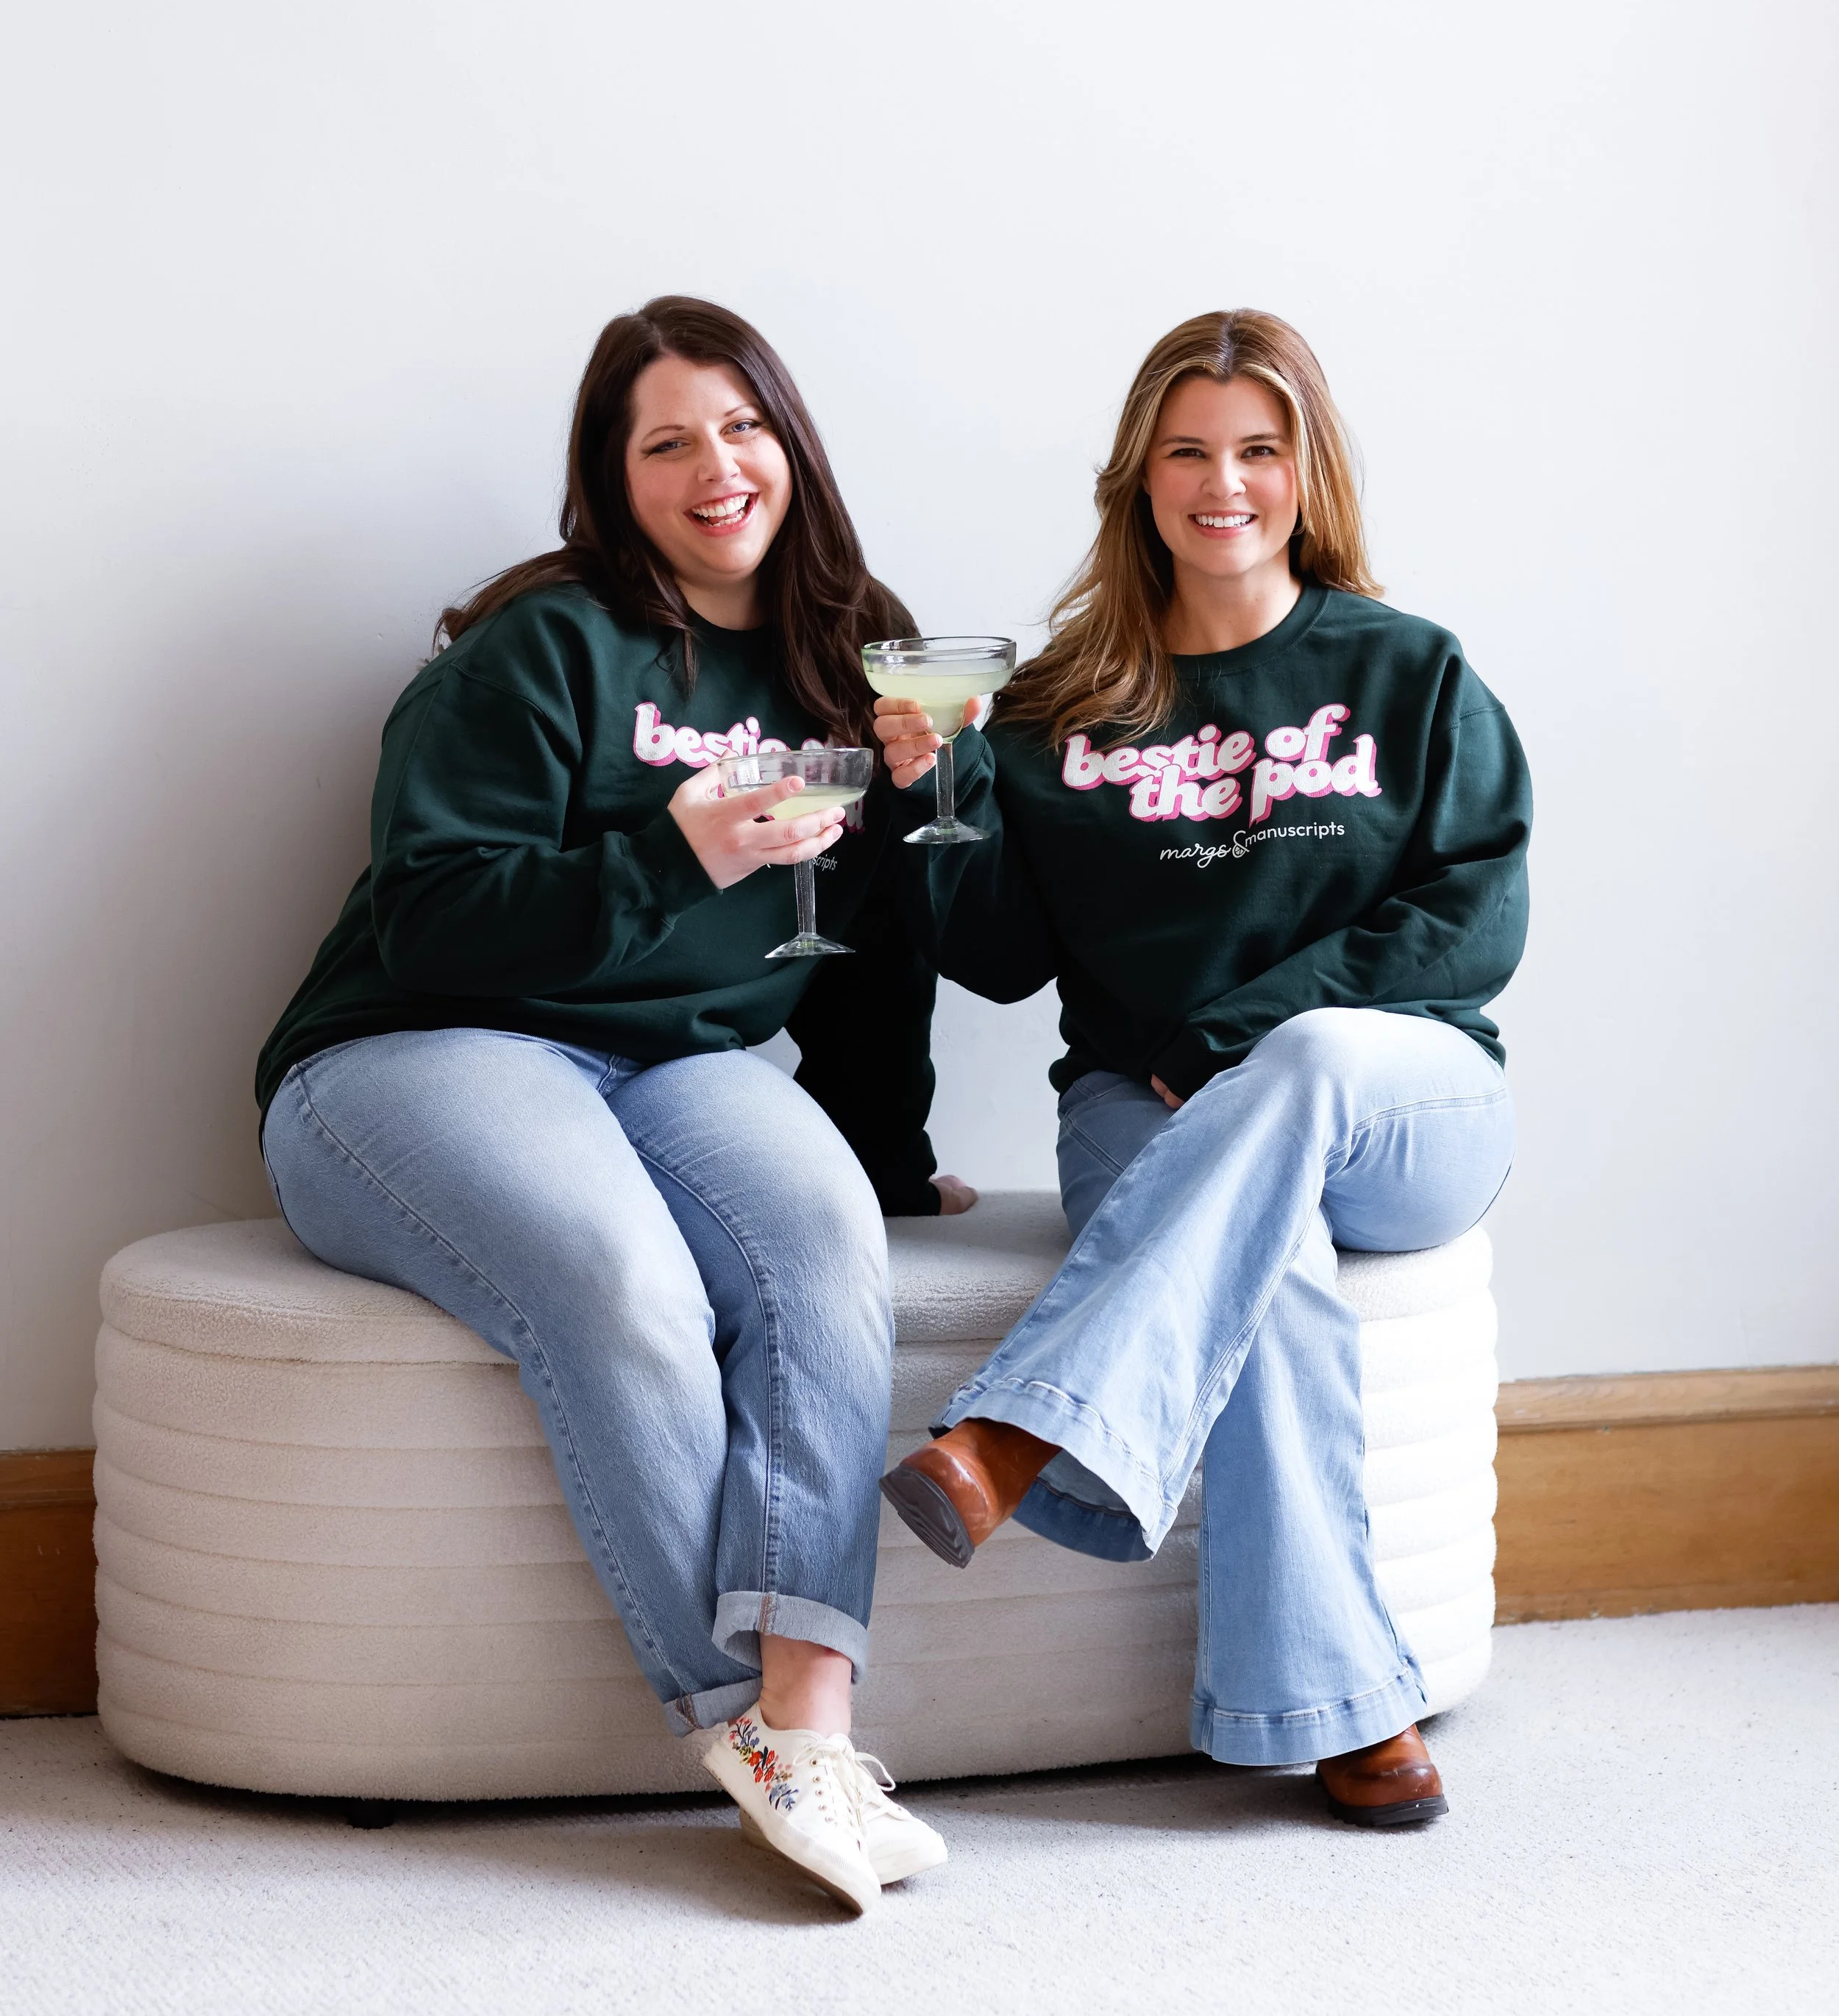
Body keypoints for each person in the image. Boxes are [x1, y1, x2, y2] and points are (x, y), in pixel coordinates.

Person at [258, 296, 970, 1914]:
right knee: (620, 1271)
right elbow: (431, 911)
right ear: (611, 474)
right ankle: (748, 1730)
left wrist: (886, 1147)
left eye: (740, 426)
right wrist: (678, 849)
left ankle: (814, 1721)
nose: (715, 467)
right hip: (421, 1047)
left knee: (815, 1236)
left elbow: (868, 952)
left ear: (788, 441)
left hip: (685, 1061)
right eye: (666, 442)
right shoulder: (539, 646)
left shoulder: (853, 654)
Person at [875, 309, 1530, 1826]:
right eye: (1187, 449)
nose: (1219, 480)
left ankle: (1019, 1430)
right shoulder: (1056, 707)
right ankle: (1334, 1706)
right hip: (1132, 1103)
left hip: (1399, 1098)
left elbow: (1470, 916)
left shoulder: (1406, 670)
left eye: (1255, 447)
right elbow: (995, 957)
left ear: (1304, 471)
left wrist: (1227, 1040)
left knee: (1295, 1059)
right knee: (1264, 1260)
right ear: (1137, 476)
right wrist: (939, 799)